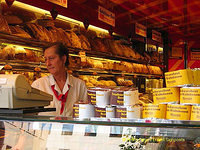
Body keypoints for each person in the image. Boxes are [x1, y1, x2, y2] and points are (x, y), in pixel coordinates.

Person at [32, 42, 88, 117]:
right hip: (45, 129)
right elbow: (31, 116)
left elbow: (85, 115)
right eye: (45, 59)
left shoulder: (80, 85)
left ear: (63, 59)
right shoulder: (38, 85)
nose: (48, 63)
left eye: (51, 58)